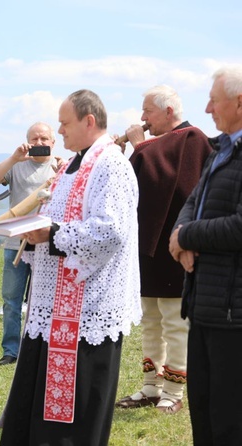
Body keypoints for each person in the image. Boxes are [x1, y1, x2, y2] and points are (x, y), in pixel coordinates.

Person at [0, 90, 141, 445]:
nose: (60, 132)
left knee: (71, 423)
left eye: (64, 123)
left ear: (88, 121)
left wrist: (52, 232)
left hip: (85, 314)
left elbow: (109, 232)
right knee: (39, 416)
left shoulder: (111, 165)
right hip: (53, 309)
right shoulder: (73, 164)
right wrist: (38, 231)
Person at [114, 85, 212, 414]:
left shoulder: (193, 139)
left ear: (168, 112)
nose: (142, 118)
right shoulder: (157, 143)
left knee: (174, 321)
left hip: (175, 247)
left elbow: (173, 184)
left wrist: (140, 146)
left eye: (148, 112)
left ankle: (173, 389)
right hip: (148, 249)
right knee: (151, 320)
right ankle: (150, 386)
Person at [169, 66, 242, 445]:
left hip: (234, 314)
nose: (208, 107)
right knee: (204, 410)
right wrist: (179, 237)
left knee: (230, 418)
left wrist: (187, 236)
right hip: (205, 305)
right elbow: (193, 202)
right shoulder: (222, 149)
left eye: (215, 99)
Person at [0, 122, 61, 366]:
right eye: (34, 139)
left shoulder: (62, 167)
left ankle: (40, 347)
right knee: (11, 299)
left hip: (47, 242)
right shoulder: (17, 166)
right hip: (15, 242)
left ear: (53, 142)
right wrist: (13, 158)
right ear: (27, 141)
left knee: (45, 299)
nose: (39, 143)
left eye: (44, 138)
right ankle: (11, 350)